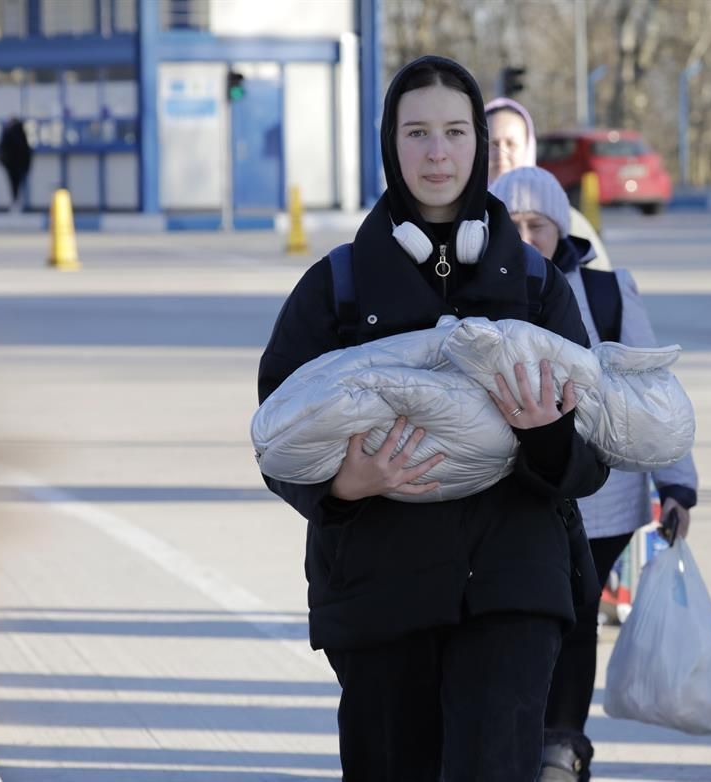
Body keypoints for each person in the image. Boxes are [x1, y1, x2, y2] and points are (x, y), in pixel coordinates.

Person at [257, 55, 610, 780]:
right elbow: (276, 436)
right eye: (417, 132)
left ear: (480, 145)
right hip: (381, 595)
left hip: (514, 586)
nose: (438, 152)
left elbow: (596, 453)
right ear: (390, 143)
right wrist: (339, 487)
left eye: (455, 131)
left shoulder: (538, 284)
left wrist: (547, 437)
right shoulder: (338, 287)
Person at [490, 166, 699, 780]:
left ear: (563, 228)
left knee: (578, 619)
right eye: (513, 225)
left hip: (601, 501)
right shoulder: (477, 290)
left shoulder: (607, 292)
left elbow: (654, 394)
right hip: (514, 495)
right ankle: (525, 740)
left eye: (539, 225)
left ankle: (562, 745)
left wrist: (677, 485)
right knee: (527, 622)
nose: (527, 237)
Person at [485, 96, 612, 270]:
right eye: (493, 144)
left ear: (528, 147)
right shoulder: (464, 216)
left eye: (511, 144)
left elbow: (598, 283)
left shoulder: (565, 219)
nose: (501, 154)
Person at [0, 118, 32, 212]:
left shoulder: (8, 133)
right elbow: (27, 151)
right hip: (19, 165)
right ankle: (18, 203)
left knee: (13, 184)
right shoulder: (21, 134)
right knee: (18, 184)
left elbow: (2, 149)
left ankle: (15, 203)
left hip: (11, 165)